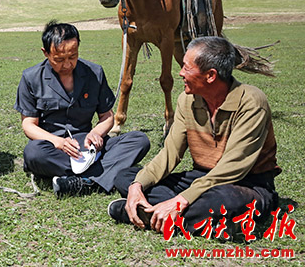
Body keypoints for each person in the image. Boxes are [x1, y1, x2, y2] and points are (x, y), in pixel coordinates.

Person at [108, 36, 280, 239]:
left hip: (245, 183)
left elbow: (232, 168)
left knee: (223, 201)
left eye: (186, 68)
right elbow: (170, 153)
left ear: (210, 76)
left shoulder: (251, 102)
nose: (180, 73)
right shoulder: (186, 100)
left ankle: (150, 214)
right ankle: (199, 220)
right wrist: (136, 187)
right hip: (201, 178)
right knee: (126, 177)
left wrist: (180, 201)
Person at [15, 21, 150, 197]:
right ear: (46, 53)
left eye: (73, 56)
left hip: (88, 146)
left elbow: (107, 116)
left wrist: (96, 133)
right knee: (33, 153)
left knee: (139, 140)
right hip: (54, 149)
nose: (67, 65)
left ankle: (84, 181)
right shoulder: (31, 78)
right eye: (59, 59)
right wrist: (58, 142)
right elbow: (29, 125)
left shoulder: (94, 72)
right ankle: (99, 175)